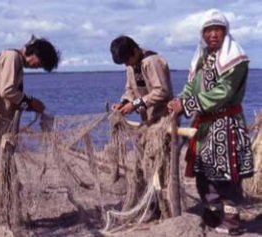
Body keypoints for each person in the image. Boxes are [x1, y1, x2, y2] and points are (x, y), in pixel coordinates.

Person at [167, 9, 254, 235]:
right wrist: (180, 100)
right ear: (202, 34)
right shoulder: (203, 58)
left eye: (217, 29)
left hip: (226, 124)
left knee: (226, 176)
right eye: (207, 30)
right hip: (204, 126)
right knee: (205, 175)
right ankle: (213, 218)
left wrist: (187, 106)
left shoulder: (235, 59)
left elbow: (222, 92)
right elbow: (192, 86)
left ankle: (232, 223)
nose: (212, 34)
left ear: (225, 31)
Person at [0, 35, 60, 226]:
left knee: (4, 170)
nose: (37, 67)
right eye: (40, 63)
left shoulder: (15, 61)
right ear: (33, 53)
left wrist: (28, 105)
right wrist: (31, 102)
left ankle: (2, 213)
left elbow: (10, 97)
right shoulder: (12, 58)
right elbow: (7, 91)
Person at [109, 35, 174, 217]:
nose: (126, 65)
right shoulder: (131, 66)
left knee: (161, 167)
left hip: (163, 122)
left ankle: (166, 209)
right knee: (147, 167)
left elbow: (162, 91)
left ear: (135, 50)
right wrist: (123, 103)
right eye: (123, 63)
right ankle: (153, 206)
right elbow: (130, 89)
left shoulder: (152, 61)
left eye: (127, 60)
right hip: (147, 123)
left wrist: (136, 104)